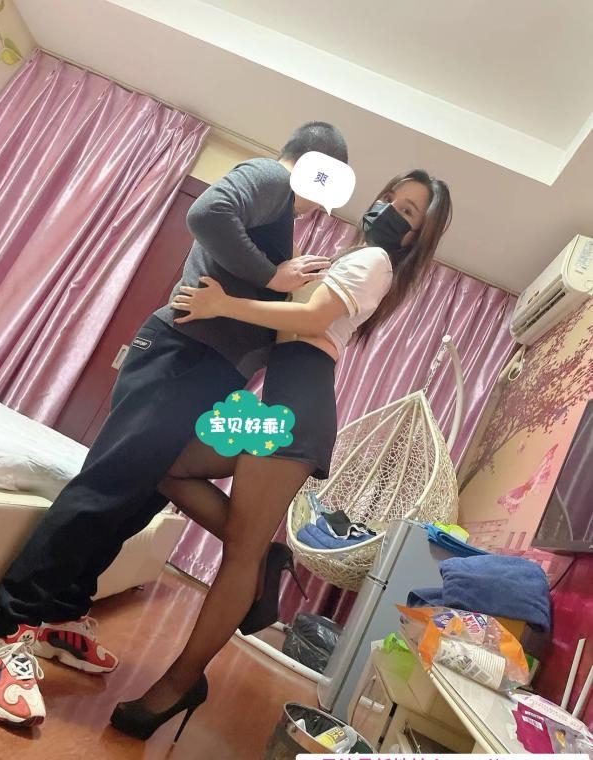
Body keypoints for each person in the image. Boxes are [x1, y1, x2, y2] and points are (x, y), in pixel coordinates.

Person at [0, 122, 349, 728]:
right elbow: (207, 212)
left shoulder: (279, 213)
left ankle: (62, 611)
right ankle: (11, 625)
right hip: (182, 355)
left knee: (137, 499)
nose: (318, 205)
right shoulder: (272, 177)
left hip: (204, 369)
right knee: (107, 488)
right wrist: (273, 278)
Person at [110, 169, 452, 741]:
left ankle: (181, 681)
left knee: (232, 556)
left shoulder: (376, 262)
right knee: (170, 463)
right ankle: (262, 558)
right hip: (277, 406)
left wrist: (224, 304)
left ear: (416, 236)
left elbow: (312, 320)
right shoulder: (352, 258)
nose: (389, 208)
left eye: (408, 210)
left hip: (299, 411)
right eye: (390, 196)